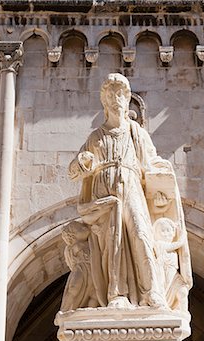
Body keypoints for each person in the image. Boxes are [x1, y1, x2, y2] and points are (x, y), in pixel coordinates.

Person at [68, 73, 191, 309]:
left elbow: (151, 163)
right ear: (104, 101)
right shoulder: (96, 137)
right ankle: (117, 295)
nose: (117, 99)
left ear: (127, 100)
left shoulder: (136, 132)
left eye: (121, 94)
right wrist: (83, 162)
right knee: (112, 243)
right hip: (104, 194)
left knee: (141, 234)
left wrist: (163, 187)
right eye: (111, 94)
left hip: (131, 186)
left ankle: (151, 292)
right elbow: (74, 172)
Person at [153, 218, 190, 311]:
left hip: (174, 276)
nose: (166, 234)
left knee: (183, 292)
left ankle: (183, 311)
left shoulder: (173, 250)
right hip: (163, 275)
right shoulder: (159, 244)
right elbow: (177, 244)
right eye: (162, 231)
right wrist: (183, 235)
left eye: (168, 230)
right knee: (163, 294)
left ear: (173, 233)